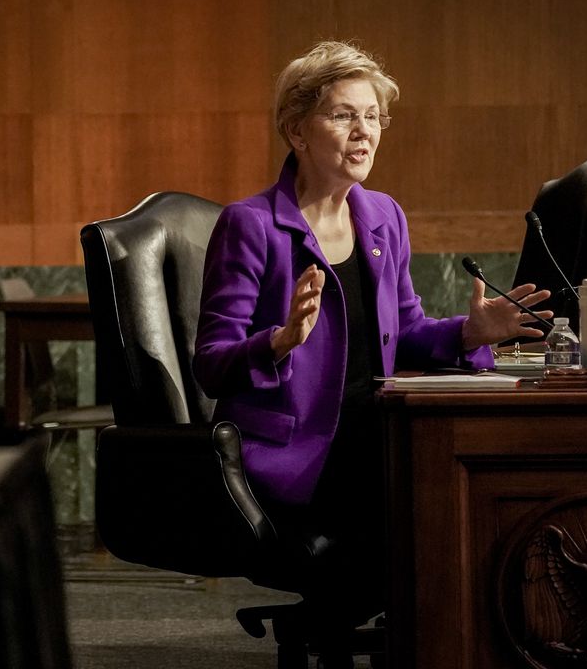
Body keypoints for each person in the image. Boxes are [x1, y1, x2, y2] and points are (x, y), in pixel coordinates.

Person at [191, 41, 551, 666]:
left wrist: (470, 334)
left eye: (373, 116)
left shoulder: (383, 216)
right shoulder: (250, 225)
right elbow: (212, 358)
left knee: (458, 487)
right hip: (297, 446)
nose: (365, 132)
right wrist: (277, 343)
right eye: (343, 115)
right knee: (431, 499)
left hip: (371, 429)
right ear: (296, 129)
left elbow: (405, 331)